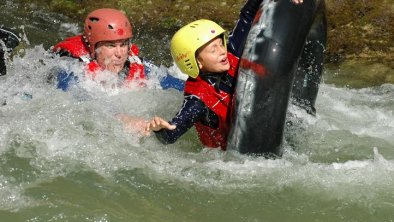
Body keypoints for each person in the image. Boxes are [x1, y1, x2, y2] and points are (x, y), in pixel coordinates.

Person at [142, 0, 305, 149]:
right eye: (213, 49)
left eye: (221, 44)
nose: (222, 52)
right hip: (231, 157)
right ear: (196, 62)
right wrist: (160, 129)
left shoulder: (230, 52)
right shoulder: (198, 101)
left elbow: (247, 16)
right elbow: (171, 135)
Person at [52, 8, 184, 91]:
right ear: (93, 47)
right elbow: (78, 104)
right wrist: (121, 118)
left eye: (123, 44)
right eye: (110, 45)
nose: (120, 54)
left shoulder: (135, 64)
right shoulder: (72, 68)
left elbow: (177, 86)